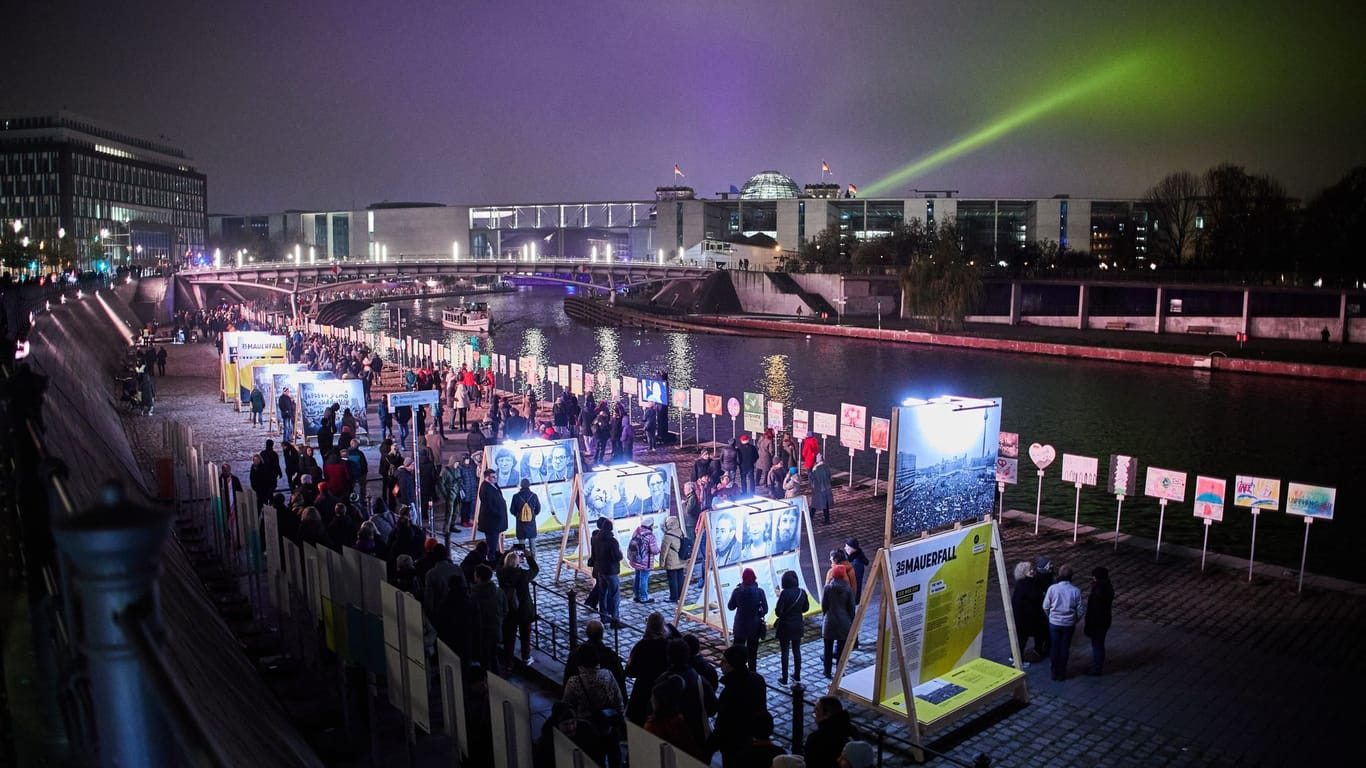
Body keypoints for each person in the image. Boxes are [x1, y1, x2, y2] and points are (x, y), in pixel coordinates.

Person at [708, 645, 768, 768]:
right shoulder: (757, 679)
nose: (720, 663)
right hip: (752, 739)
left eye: (723, 661)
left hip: (733, 744)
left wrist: (710, 745)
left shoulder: (731, 691)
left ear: (731, 665)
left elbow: (723, 723)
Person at [563, 654, 625, 768]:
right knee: (615, 757)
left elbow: (567, 705)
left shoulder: (574, 682)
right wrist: (618, 719)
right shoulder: (607, 674)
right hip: (609, 724)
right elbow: (618, 699)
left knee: (595, 760)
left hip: (587, 729)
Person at [624, 612, 671, 725]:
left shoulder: (641, 646)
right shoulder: (668, 646)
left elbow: (630, 671)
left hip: (643, 690)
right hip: (663, 690)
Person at [1042, 564, 1084, 681]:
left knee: (1055, 647)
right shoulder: (1075, 591)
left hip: (1054, 623)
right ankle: (1062, 672)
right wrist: (1075, 620)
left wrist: (1050, 616)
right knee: (1065, 648)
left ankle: (1054, 672)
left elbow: (1045, 606)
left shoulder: (1053, 589)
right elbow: (1080, 610)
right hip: (1069, 624)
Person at [498, 548, 538, 667]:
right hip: (523, 609)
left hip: (509, 609)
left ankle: (508, 663)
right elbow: (535, 569)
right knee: (525, 635)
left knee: (509, 638)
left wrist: (506, 553)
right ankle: (525, 658)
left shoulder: (501, 574)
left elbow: (498, 565)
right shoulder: (523, 575)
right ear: (517, 563)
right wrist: (529, 556)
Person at [727, 568, 769, 672]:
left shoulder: (737, 591)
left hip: (740, 626)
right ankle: (752, 673)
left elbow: (730, 606)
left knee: (737, 651)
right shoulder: (760, 592)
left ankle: (737, 671)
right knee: (752, 653)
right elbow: (766, 609)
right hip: (754, 626)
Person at [774, 570, 810, 685]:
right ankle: (797, 675)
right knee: (796, 650)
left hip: (785, 626)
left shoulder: (784, 594)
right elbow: (805, 608)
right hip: (797, 625)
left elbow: (778, 612)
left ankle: (784, 678)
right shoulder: (802, 592)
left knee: (785, 652)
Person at [804, 696, 860, 768]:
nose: (814, 713)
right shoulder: (853, 731)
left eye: (817, 710)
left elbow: (810, 764)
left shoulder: (816, 739)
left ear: (827, 715)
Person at [469, 564, 505, 674]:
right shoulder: (499, 592)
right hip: (495, 630)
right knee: (494, 657)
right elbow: (505, 609)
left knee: (484, 661)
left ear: (478, 577)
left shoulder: (473, 596)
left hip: (481, 633)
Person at [588, 517, 623, 626]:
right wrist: (620, 554)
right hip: (610, 571)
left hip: (600, 570)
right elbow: (616, 557)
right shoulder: (612, 541)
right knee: (614, 595)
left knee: (602, 594)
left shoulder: (596, 538)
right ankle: (615, 619)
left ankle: (604, 616)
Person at [1010, 561, 1047, 663]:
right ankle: (1017, 659)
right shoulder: (1026, 584)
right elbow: (1036, 596)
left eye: (1032, 569)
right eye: (1028, 570)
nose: (1032, 571)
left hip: (1024, 617)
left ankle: (1015, 656)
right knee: (1023, 638)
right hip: (1025, 618)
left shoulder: (1023, 583)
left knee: (1024, 637)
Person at [821, 573, 855, 679]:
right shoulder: (848, 589)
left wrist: (825, 616)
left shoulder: (827, 588)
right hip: (843, 622)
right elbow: (851, 607)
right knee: (841, 650)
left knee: (828, 649)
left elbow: (824, 605)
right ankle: (839, 672)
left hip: (829, 622)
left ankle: (827, 671)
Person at [1084, 566, 1114, 676]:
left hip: (1097, 622)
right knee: (1098, 644)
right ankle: (1096, 664)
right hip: (1105, 620)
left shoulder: (1098, 592)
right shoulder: (1107, 587)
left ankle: (1097, 668)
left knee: (1097, 645)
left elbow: (1094, 610)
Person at [476, 468, 508, 558]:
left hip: (496, 521)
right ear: (487, 478)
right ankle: (491, 559)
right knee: (492, 543)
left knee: (494, 542)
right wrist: (497, 513)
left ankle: (493, 557)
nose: (495, 478)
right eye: (493, 477)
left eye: (496, 476)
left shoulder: (494, 485)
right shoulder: (485, 488)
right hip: (491, 521)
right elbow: (488, 505)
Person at [627, 518, 659, 603]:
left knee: (637, 576)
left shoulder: (637, 532)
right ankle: (644, 597)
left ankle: (636, 595)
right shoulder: (650, 536)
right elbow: (654, 550)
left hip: (636, 560)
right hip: (645, 562)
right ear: (650, 526)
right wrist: (659, 550)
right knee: (644, 578)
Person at [658, 515, 687, 602]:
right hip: (681, 559)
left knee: (672, 580)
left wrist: (662, 563)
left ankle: (674, 597)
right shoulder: (680, 531)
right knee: (680, 578)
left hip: (671, 561)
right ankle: (681, 596)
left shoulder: (667, 536)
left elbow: (664, 551)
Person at [511, 477, 541, 549]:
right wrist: (532, 515)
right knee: (532, 545)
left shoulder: (516, 496)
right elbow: (538, 509)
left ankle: (520, 559)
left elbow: (512, 510)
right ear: (529, 485)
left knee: (521, 545)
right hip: (531, 522)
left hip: (520, 523)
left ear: (521, 485)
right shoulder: (534, 496)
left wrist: (518, 515)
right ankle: (533, 559)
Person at [808, 454, 834, 523]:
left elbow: (812, 480)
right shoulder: (826, 467)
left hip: (818, 489)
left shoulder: (815, 468)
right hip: (827, 489)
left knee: (814, 504)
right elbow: (830, 478)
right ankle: (827, 519)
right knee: (826, 505)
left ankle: (810, 519)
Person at [843, 539, 870, 603]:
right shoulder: (851, 557)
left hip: (852, 594)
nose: (845, 548)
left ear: (852, 549)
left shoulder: (856, 563)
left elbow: (855, 580)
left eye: (847, 547)